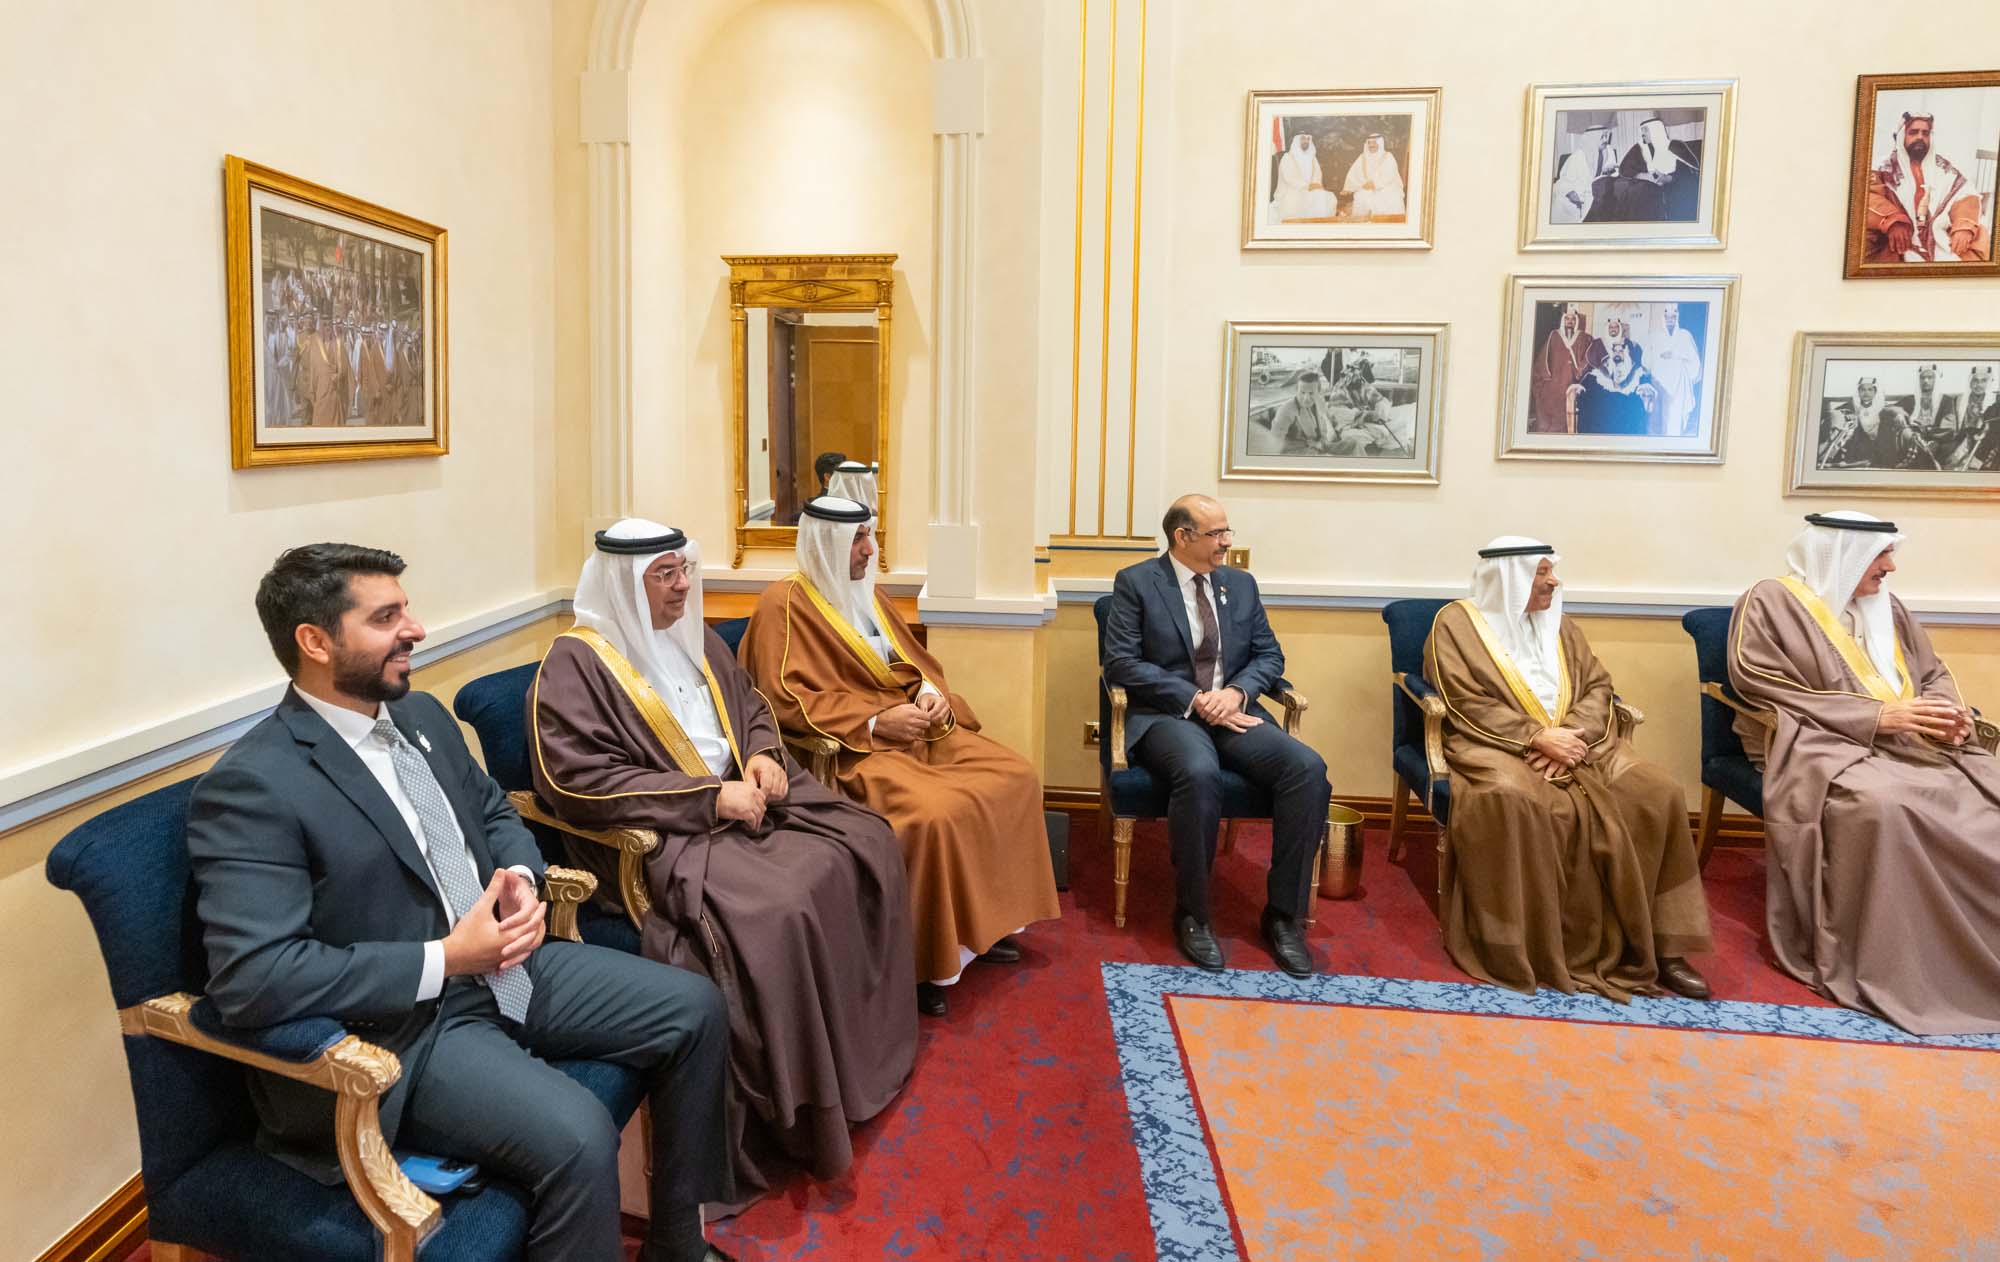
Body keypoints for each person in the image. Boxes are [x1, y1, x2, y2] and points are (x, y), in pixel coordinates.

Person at [186, 544, 735, 1262]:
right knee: (578, 1136)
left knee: (695, 1007)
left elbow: (495, 810)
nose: (414, 629)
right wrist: (445, 958)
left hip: (508, 965)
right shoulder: (255, 784)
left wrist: (521, 880)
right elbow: (253, 978)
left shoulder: (420, 714)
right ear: (315, 642)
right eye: (386, 618)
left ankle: (676, 1245)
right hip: (403, 1030)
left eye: (406, 610)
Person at [530, 520, 916, 1205]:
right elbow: (576, 782)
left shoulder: (696, 635)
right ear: (624, 582)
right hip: (674, 834)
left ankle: (858, 1059)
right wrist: (709, 799)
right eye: (665, 575)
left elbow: (753, 704)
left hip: (749, 801)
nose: (684, 586)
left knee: (866, 840)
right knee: (779, 909)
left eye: (684, 570)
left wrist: (762, 754)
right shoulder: (575, 664)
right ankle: (801, 1114)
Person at [740, 496, 1061, 1016]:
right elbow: (780, 699)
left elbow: (913, 661)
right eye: (857, 541)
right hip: (851, 749)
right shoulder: (784, 604)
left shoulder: (870, 593)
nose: (869, 551)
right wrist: (873, 721)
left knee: (1016, 777)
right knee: (933, 815)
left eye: (869, 536)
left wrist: (929, 694)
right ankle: (927, 963)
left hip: (917, 732)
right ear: (825, 544)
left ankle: (984, 928)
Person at [1728, 512, 2000, 1034]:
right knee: (1886, 805)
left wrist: (1946, 713)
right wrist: (1875, 717)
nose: (1890, 567)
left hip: (1911, 741)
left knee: (1985, 793)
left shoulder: (1889, 607)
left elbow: (1932, 673)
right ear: (1841, 555)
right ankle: (1905, 962)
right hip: (1820, 740)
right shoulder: (1770, 601)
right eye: (1881, 555)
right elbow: (1756, 679)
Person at [1425, 539, 1713, 1001]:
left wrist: (1571, 738)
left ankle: (1662, 945)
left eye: (1551, 572)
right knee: (1511, 800)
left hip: (1583, 745)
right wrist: (1535, 737)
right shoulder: (1455, 625)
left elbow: (1598, 685)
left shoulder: (1562, 625)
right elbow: (1464, 700)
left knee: (1657, 790)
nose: (1553, 582)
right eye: (1541, 573)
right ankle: (1529, 945)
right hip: (1496, 745)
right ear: (1510, 578)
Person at [1101, 495, 1330, 976]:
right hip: (1169, 715)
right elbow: (1120, 661)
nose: (1227, 542)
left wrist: (1236, 693)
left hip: (1233, 711)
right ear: (1182, 536)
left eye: (1227, 531)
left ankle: (1283, 917)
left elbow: (1269, 656)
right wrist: (1195, 697)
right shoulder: (1137, 582)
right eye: (1217, 533)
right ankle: (1193, 913)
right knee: (1199, 772)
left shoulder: (1240, 585)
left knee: (1307, 769)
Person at [1865, 111, 1992, 263]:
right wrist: (1893, 221)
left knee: (1980, 235)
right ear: (1901, 136)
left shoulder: (1944, 169)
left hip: (1942, 239)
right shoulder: (1881, 168)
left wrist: (1963, 226)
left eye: (1925, 133)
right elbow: (1868, 196)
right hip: (1900, 242)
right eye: (1913, 132)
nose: (1920, 137)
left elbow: (1966, 195)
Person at [1608, 117, 1702, 221]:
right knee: (1633, 192)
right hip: (1649, 187)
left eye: (1645, 130)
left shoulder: (1675, 145)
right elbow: (1625, 168)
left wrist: (1668, 178)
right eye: (1641, 130)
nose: (1642, 134)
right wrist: (1643, 176)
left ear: (1655, 130)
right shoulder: (1640, 147)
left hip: (1674, 185)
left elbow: (1690, 171)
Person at [1819, 377, 1920, 468]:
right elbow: (1837, 412)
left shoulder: (1881, 407)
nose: (1866, 393)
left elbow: (1894, 409)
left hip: (1878, 443)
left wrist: (1899, 414)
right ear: (1858, 392)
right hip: (1858, 443)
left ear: (1875, 392)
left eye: (1870, 389)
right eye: (1863, 389)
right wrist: (1847, 415)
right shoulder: (1851, 406)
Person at [1530, 304, 1599, 433]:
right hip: (1556, 381)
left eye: (1573, 319)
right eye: (1567, 318)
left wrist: (1581, 370)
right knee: (1549, 404)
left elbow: (1592, 355)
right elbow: (1543, 359)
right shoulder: (1554, 335)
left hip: (1574, 381)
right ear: (1563, 320)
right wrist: (1545, 376)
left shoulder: (1584, 337)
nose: (1570, 321)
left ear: (1576, 321)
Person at [1569, 335, 1656, 434]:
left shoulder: (1637, 375)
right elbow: (1584, 386)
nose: (1617, 354)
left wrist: (1645, 390)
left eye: (1621, 351)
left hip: (1626, 422)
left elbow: (1645, 388)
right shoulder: (1598, 375)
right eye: (1615, 351)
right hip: (1602, 423)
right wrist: (1579, 389)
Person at [1646, 303, 1702, 437]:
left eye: (1673, 317)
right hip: (1659, 383)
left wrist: (1675, 355)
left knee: (1675, 419)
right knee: (1658, 419)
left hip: (1679, 385)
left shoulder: (1685, 335)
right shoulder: (1655, 336)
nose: (1670, 320)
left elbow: (1694, 360)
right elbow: (1646, 360)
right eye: (1667, 317)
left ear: (1677, 318)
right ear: (1663, 318)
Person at [1551, 125, 1615, 224]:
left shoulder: (1608, 152)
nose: (1606, 140)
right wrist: (1569, 192)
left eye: (1606, 136)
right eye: (1602, 137)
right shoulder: (1577, 157)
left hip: (1595, 194)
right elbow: (1562, 183)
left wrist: (1610, 173)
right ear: (1592, 139)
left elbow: (1613, 172)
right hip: (1574, 196)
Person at [1269, 132, 1337, 222]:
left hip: (1311, 190)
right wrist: (1306, 186)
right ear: (1296, 140)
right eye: (1303, 138)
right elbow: (1289, 178)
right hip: (1292, 190)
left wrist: (1316, 185)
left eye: (1308, 139)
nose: (1306, 141)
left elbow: (1317, 175)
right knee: (1296, 202)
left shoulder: (1312, 158)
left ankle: (1318, 224)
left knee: (1326, 197)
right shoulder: (1288, 157)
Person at [1271, 369, 1338, 452]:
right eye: (1302, 392)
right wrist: (1306, 444)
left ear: (1318, 393)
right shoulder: (1286, 410)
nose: (1306, 398)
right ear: (1296, 391)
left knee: (1351, 443)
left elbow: (1330, 431)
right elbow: (1275, 442)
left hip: (1322, 446)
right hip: (1301, 451)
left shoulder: (1320, 403)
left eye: (1311, 393)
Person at [1341, 133, 1405, 219]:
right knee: (1361, 196)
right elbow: (1354, 173)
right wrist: (1349, 187)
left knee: (1390, 196)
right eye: (1369, 143)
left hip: (1386, 186)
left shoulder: (1388, 156)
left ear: (1380, 143)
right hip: (1366, 187)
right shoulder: (1362, 157)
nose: (1371, 145)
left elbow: (1390, 175)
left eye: (1374, 142)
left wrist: (1375, 184)